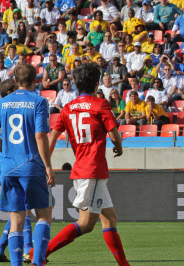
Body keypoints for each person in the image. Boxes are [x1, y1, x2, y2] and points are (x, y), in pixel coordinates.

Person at [46, 63, 130, 266]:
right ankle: (38, 253)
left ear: (75, 83)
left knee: (109, 219)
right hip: (91, 169)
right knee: (85, 224)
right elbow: (114, 133)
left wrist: (46, 163)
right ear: (97, 82)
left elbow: (53, 136)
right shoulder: (100, 104)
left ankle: (124, 264)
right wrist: (118, 145)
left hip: (84, 168)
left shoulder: (67, 108)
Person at [0, 63, 55, 266]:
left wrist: (6, 152)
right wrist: (48, 166)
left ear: (15, 81)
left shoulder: (3, 103)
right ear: (35, 81)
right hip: (31, 165)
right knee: (44, 215)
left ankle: (16, 264)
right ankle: (37, 262)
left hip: (7, 167)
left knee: (16, 219)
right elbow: (40, 135)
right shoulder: (39, 102)